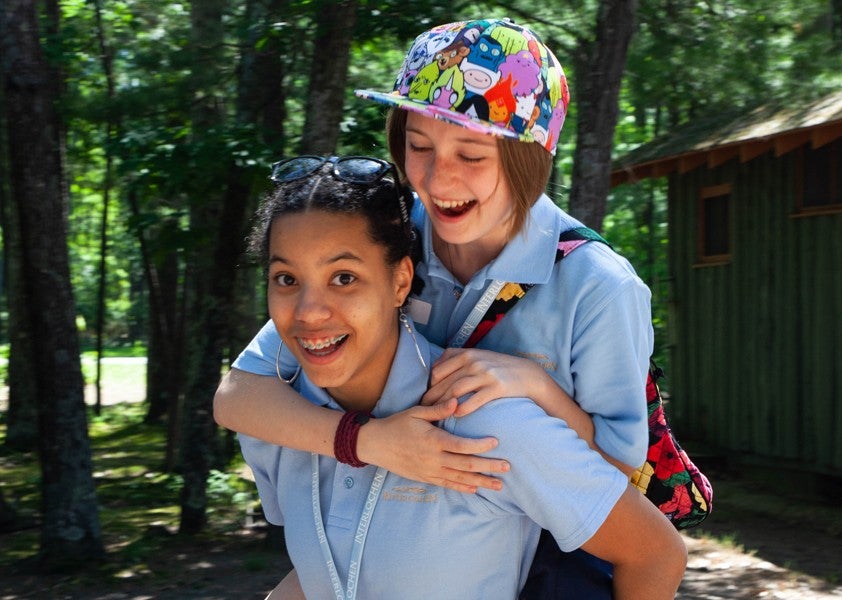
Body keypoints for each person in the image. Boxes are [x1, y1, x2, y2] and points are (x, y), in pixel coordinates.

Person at [215, 17, 655, 595]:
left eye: (471, 154)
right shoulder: (392, 237)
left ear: (528, 160)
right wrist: (367, 441)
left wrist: (536, 386)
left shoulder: (597, 287)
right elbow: (241, 393)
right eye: (419, 146)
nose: (438, 177)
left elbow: (618, 474)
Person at [238, 157, 686, 599]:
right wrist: (360, 441)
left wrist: (538, 386)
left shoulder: (487, 427)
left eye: (343, 277)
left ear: (401, 281)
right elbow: (328, 569)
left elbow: (655, 553)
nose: (309, 312)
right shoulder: (279, 423)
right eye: (286, 279)